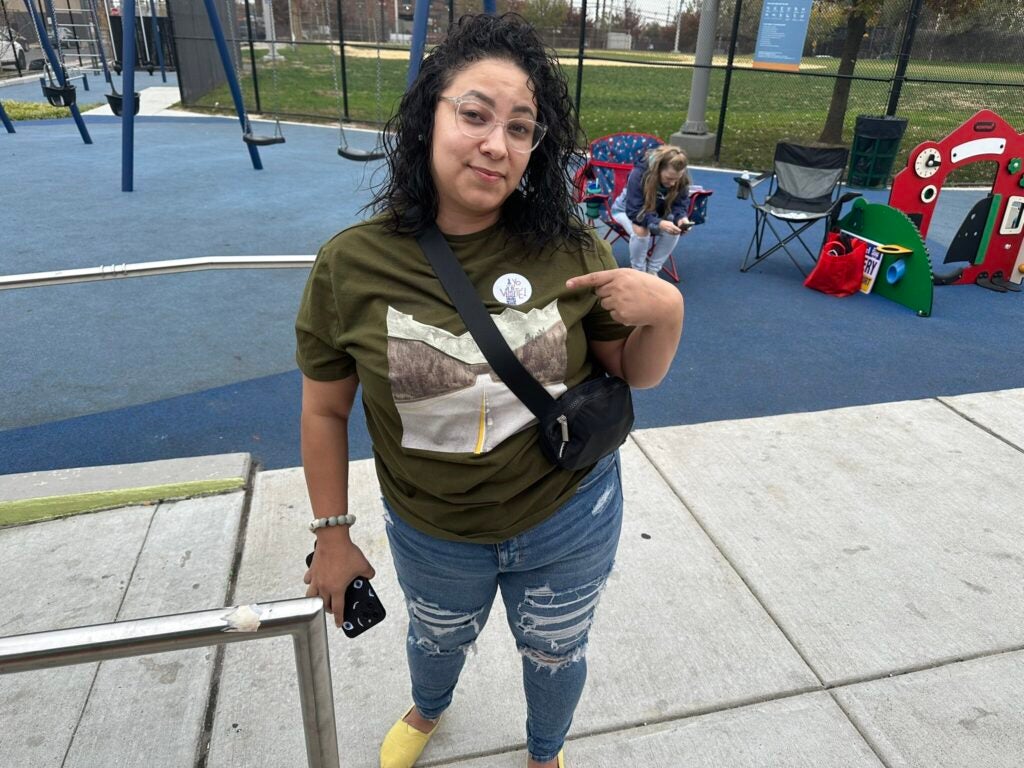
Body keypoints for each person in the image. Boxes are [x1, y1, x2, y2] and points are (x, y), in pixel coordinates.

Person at [295, 13, 684, 768]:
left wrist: (667, 313)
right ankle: (430, 705)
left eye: (520, 127)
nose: (495, 144)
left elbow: (631, 372)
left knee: (556, 655)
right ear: (426, 118)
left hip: (568, 518)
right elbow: (324, 409)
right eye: (474, 114)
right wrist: (332, 535)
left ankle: (545, 753)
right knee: (435, 639)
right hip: (434, 532)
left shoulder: (571, 245)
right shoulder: (352, 265)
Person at [610, 144, 692, 275]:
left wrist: (682, 218)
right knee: (641, 229)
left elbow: (680, 204)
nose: (673, 184)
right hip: (625, 211)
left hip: (655, 213)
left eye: (677, 179)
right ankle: (639, 272)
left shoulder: (679, 177)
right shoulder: (639, 174)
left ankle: (652, 271)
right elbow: (634, 211)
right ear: (657, 170)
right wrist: (658, 222)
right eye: (669, 179)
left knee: (674, 228)